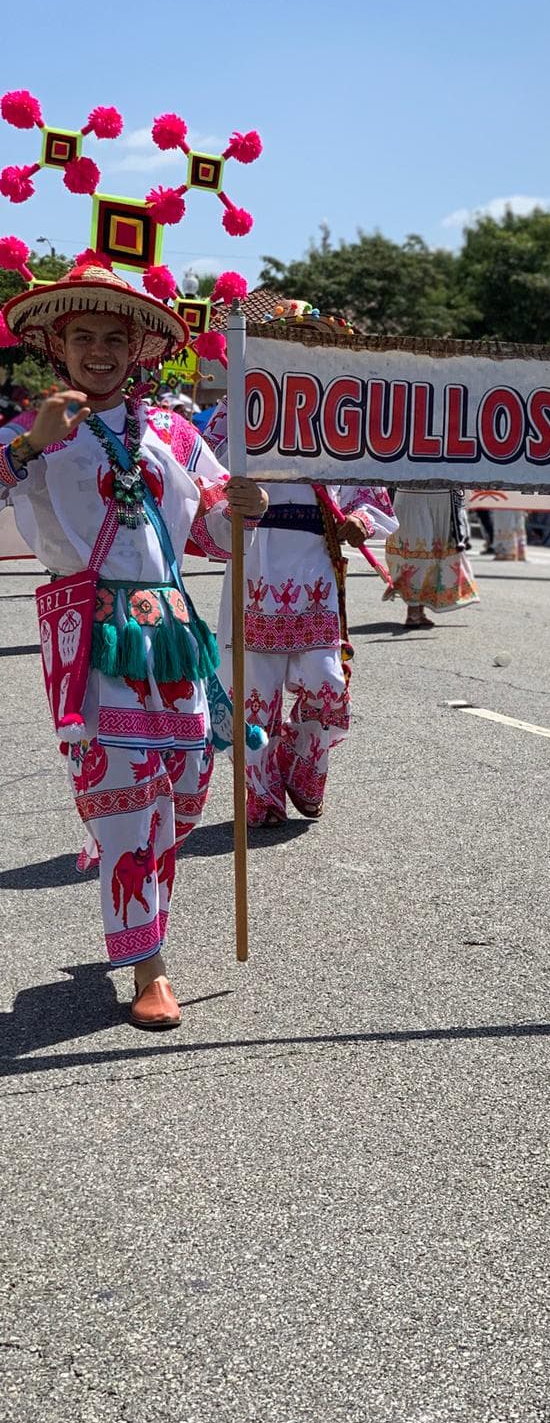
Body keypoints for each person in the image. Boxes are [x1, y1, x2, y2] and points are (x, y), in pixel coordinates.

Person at [0, 256, 268, 1029]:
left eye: (115, 337)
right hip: (91, 632)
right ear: (57, 345)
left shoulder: (179, 434)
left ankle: (139, 894)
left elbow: (217, 527)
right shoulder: (35, 429)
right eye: (82, 335)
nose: (100, 351)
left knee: (182, 794)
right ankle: (149, 964)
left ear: (141, 348)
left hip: (173, 633)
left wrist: (240, 508)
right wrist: (27, 447)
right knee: (126, 797)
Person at [203, 394, 397, 829]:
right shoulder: (240, 397)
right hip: (255, 554)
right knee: (253, 688)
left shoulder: (342, 411)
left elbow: (370, 492)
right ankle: (261, 791)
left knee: (327, 684)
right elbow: (206, 463)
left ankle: (300, 755)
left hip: (314, 560)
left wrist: (360, 521)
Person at [384, 487, 478, 627]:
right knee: (417, 554)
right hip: (413, 495)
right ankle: (414, 610)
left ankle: (418, 609)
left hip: (442, 497)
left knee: (434, 555)